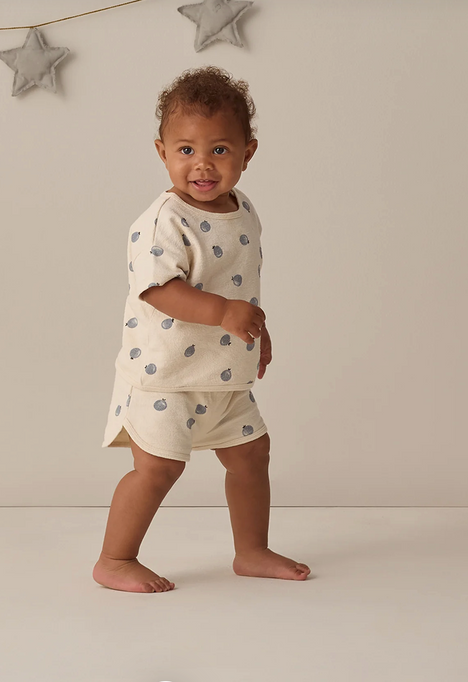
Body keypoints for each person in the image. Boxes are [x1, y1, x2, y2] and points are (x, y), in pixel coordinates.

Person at [93, 66, 311, 593]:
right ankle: (115, 559)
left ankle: (252, 550)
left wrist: (255, 330)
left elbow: (242, 287)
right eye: (186, 150)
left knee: (252, 455)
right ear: (162, 152)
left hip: (223, 373)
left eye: (219, 150)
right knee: (158, 469)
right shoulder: (163, 221)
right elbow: (157, 289)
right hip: (166, 375)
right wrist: (223, 313)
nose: (203, 164)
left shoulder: (244, 210)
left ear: (247, 153)